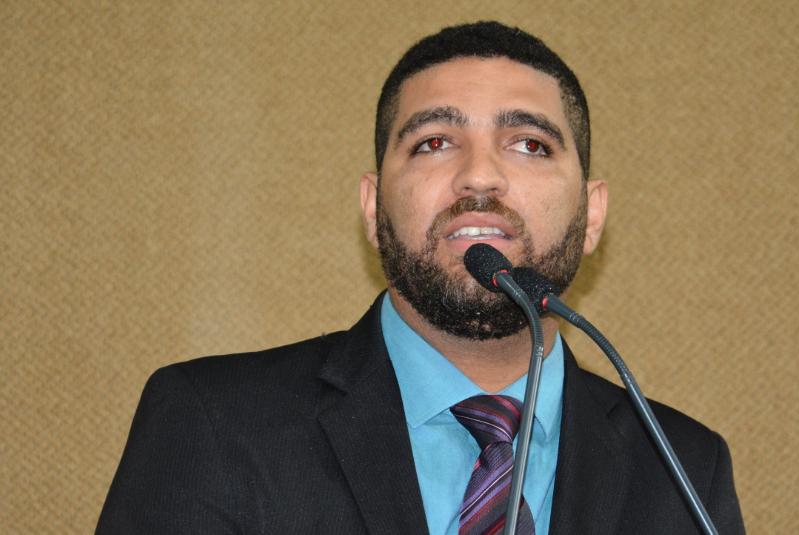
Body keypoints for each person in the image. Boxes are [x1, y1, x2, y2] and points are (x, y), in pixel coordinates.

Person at [97, 21, 745, 534]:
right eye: (434, 142)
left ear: (592, 213)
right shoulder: (212, 424)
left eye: (530, 144)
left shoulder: (684, 467)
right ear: (373, 206)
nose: (480, 176)